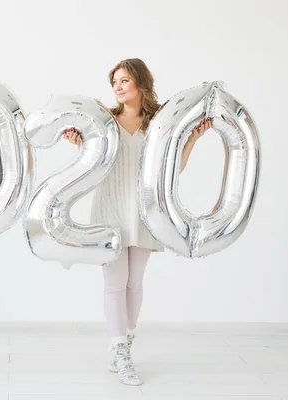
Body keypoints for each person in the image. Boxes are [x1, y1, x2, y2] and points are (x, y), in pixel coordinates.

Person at [64, 58, 212, 385]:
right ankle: (121, 353)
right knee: (114, 284)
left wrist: (191, 140)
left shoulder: (158, 122)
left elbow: (171, 169)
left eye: (124, 81)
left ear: (141, 84)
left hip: (145, 210)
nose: (117, 87)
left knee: (134, 284)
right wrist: (79, 145)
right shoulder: (104, 119)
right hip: (109, 208)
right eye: (114, 81)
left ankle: (126, 343)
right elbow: (91, 165)